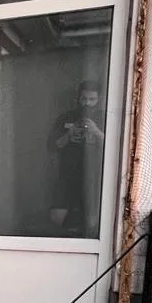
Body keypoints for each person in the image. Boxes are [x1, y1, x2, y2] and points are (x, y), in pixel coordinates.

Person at [47, 79, 105, 235]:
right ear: (78, 98)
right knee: (57, 217)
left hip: (94, 178)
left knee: (91, 221)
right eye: (84, 99)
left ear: (99, 100)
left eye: (92, 99)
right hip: (67, 175)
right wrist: (68, 136)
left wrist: (96, 132)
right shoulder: (66, 117)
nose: (87, 103)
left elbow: (115, 145)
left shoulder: (105, 118)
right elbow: (52, 146)